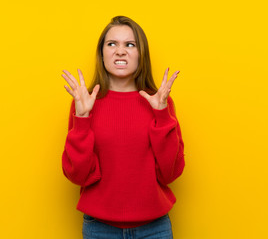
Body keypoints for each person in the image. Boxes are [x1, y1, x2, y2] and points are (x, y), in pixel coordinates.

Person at [61, 15, 185, 239]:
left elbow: (170, 173)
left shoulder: (160, 102)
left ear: (141, 54)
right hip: (100, 228)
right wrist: (82, 118)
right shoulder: (84, 102)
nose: (120, 51)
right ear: (102, 53)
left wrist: (161, 114)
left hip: (154, 228)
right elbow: (77, 175)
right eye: (112, 44)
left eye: (130, 44)